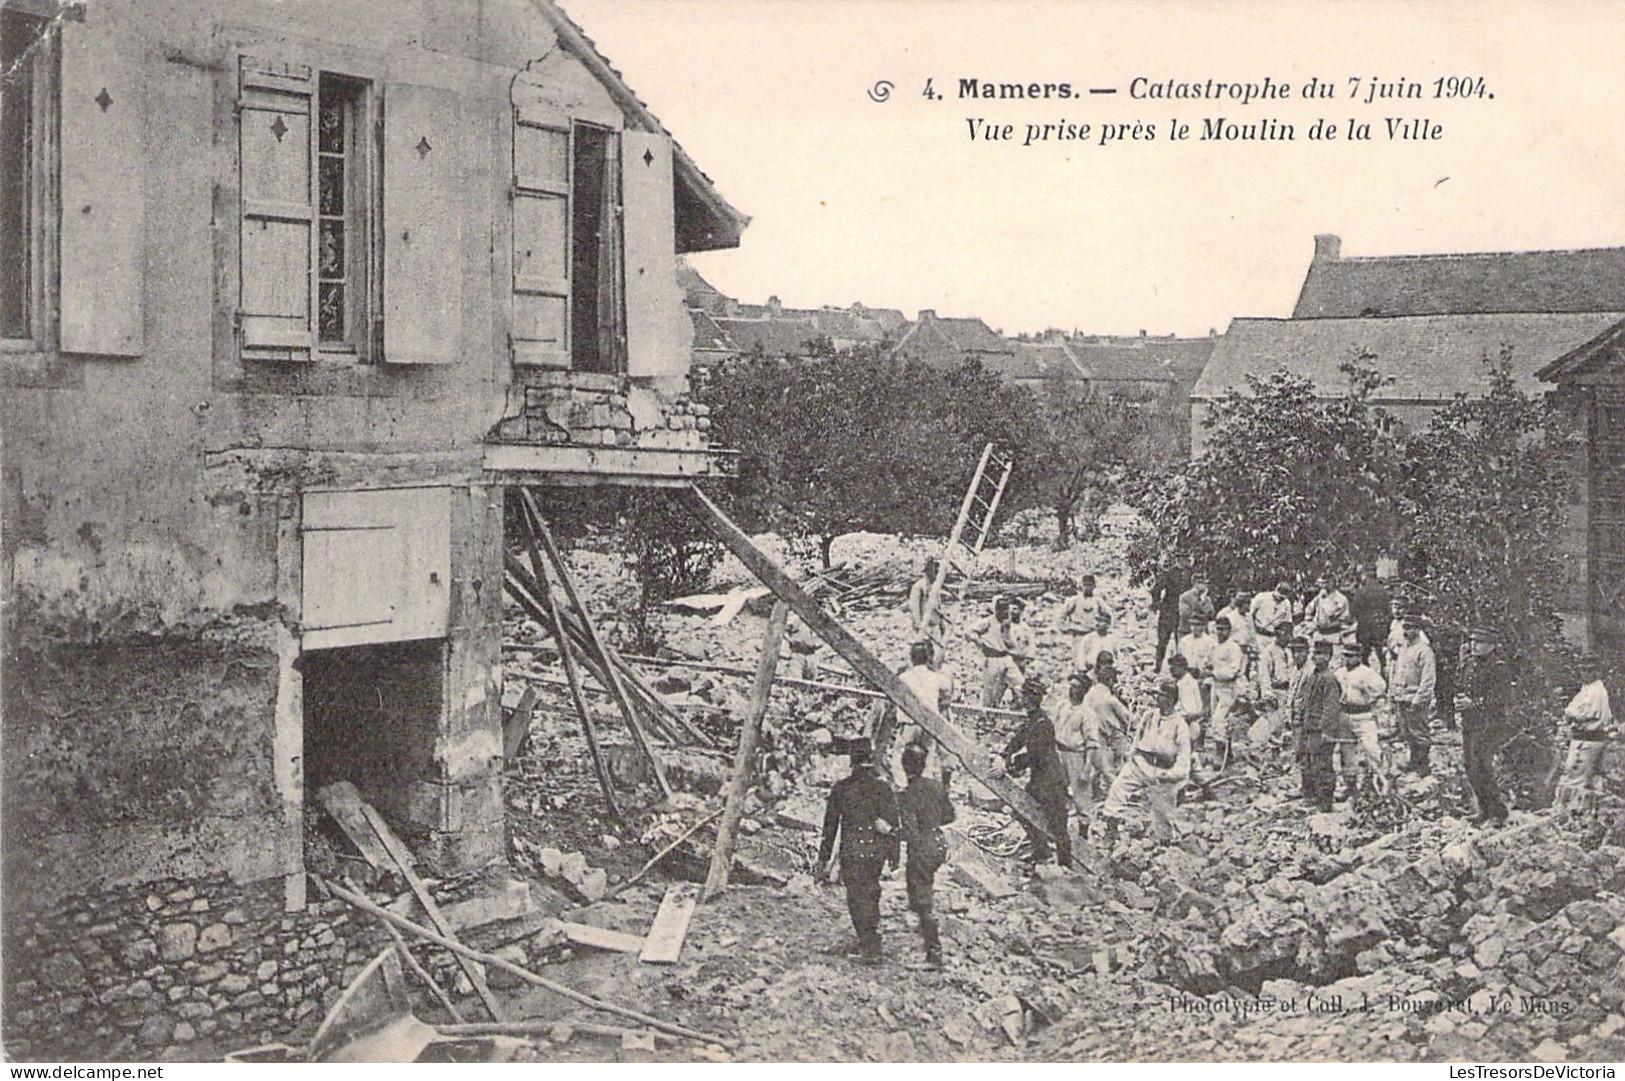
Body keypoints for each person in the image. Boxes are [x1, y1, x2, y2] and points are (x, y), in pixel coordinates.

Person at [817, 737, 900, 964]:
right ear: (872, 759)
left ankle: (870, 947)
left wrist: (823, 858)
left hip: (852, 852)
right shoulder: (883, 788)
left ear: (851, 760)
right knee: (870, 893)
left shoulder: (841, 789)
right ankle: (868, 939)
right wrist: (894, 858)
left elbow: (830, 826)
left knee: (856, 898)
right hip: (875, 853)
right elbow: (893, 825)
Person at [1095, 675, 1192, 849]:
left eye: (1161, 695)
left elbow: (1184, 761)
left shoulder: (1179, 725)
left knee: (1163, 816)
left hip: (1162, 772)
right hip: (1140, 765)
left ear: (1171, 699)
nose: (1157, 698)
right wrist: (1131, 756)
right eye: (1157, 694)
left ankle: (1165, 848)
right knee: (1117, 791)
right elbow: (1137, 738)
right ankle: (1111, 832)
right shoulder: (1149, 716)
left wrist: (1170, 775)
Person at [1002, 675, 1072, 867]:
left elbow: (1035, 754)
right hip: (1039, 780)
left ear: (1029, 698)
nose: (1021, 699)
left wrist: (1013, 765)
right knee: (1022, 811)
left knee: (1059, 827)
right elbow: (1019, 737)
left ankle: (1066, 867)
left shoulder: (1043, 724)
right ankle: (1040, 850)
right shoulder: (1034, 719)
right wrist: (1004, 754)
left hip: (1051, 782)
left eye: (1024, 695)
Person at [897, 742, 955, 968]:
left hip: (922, 847)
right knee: (916, 882)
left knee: (923, 897)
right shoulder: (936, 786)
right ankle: (920, 922)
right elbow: (949, 816)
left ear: (905, 766)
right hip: (939, 842)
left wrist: (891, 832)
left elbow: (910, 834)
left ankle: (934, 954)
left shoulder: (908, 794)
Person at [1456, 624, 1516, 828]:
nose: (1474, 645)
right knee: (1470, 767)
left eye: (1480, 642)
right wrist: (1461, 700)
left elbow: (1502, 697)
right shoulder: (1469, 663)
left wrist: (1476, 703)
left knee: (1482, 766)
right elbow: (1462, 685)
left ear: (1491, 645)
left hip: (1490, 724)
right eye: (1473, 641)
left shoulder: (1498, 667)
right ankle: (1484, 809)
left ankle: (1498, 812)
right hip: (1470, 722)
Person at [1554, 658, 1613, 812]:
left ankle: (1570, 812)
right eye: (1583, 670)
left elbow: (1583, 713)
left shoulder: (1595, 691)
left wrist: (1569, 712)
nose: (1585, 674)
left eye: (1589, 670)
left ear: (1597, 672)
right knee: (1586, 779)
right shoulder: (1588, 688)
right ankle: (1581, 812)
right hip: (1587, 738)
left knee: (1576, 778)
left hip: (1587, 740)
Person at [893, 641, 954, 787]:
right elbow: (947, 686)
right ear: (927, 658)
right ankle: (923, 791)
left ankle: (903, 789)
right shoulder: (935, 677)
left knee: (900, 758)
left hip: (909, 723)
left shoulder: (904, 677)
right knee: (926, 759)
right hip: (929, 725)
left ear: (912, 658)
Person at [1082, 656, 1134, 820]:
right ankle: (1116, 803)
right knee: (1111, 770)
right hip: (1108, 736)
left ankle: (1096, 796)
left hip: (1090, 735)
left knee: (1096, 768)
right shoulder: (1111, 700)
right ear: (1111, 680)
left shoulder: (1090, 693)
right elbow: (1129, 719)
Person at [1298, 641, 1345, 811]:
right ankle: (1313, 795)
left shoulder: (1329, 679)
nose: (1316, 657)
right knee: (1310, 762)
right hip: (1310, 727)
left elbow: (1331, 708)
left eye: (1321, 654)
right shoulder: (1313, 676)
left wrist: (1326, 731)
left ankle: (1325, 800)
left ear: (1329, 656)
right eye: (1315, 653)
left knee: (1323, 764)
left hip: (1321, 729)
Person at [1335, 641, 1387, 796]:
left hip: (1364, 716)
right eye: (1346, 656)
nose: (1348, 659)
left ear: (1359, 657)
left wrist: (1370, 702)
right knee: (1347, 753)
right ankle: (1350, 786)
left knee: (1372, 749)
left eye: (1351, 656)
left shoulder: (1367, 673)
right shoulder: (1339, 673)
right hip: (1345, 715)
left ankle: (1380, 782)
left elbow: (1380, 689)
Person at [1389, 616, 1438, 776]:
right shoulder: (1403, 648)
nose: (1406, 631)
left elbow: (1428, 678)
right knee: (1407, 731)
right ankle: (1413, 761)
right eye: (1405, 627)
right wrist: (1394, 693)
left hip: (1415, 698)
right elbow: (1397, 671)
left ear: (1418, 630)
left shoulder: (1424, 651)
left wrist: (1419, 699)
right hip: (1401, 696)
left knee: (1419, 732)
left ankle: (1423, 764)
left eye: (1410, 628)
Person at [1055, 670, 1095, 831]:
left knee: (1081, 797)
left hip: (1076, 756)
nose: (1072, 690)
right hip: (1059, 752)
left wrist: (1087, 770)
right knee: (1057, 791)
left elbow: (1092, 743)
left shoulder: (1087, 714)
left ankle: (1084, 834)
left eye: (1077, 687)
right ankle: (1059, 830)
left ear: (1084, 691)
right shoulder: (1062, 706)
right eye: (1071, 686)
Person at [970, 596, 1025, 709]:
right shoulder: (988, 622)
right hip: (992, 659)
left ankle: (1025, 711)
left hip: (1006, 657)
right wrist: (981, 643)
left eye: (1007, 611)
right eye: (1003, 611)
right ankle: (985, 719)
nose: (1006, 613)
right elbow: (969, 632)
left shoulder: (1008, 622)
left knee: (1020, 684)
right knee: (990, 691)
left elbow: (1010, 640)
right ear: (997, 611)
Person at [1249, 622, 1295, 745]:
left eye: (1290, 634)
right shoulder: (1268, 652)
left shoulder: (1290, 651)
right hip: (1277, 691)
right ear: (1278, 635)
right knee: (1274, 725)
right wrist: (1268, 695)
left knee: (1286, 725)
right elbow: (1264, 676)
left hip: (1289, 691)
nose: (1288, 638)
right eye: (1286, 634)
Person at [1208, 617, 1246, 756]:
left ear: (1229, 631)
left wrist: (1213, 672)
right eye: (1218, 629)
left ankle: (1222, 755)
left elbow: (1232, 672)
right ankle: (1225, 753)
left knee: (1220, 720)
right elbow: (1210, 662)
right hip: (1216, 686)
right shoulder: (1215, 646)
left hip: (1229, 687)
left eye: (1223, 629)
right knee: (1215, 719)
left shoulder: (1234, 648)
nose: (1220, 632)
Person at [1350, 566, 1393, 673]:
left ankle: (1365, 677)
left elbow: (1353, 611)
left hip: (1365, 628)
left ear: (1365, 575)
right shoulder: (1383, 591)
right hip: (1380, 627)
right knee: (1382, 657)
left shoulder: (1361, 591)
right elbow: (1389, 611)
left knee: (1364, 656)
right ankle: (1385, 679)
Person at [1150, 562, 1189, 673]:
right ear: (1177, 558)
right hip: (1168, 610)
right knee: (1163, 639)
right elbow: (1156, 589)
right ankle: (1158, 666)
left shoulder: (1191, 573)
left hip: (1183, 611)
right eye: (1182, 557)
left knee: (1182, 640)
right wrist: (1156, 603)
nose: (1184, 560)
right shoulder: (1169, 573)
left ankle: (1181, 668)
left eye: (1186, 557)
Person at [906, 558, 945, 666]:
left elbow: (938, 606)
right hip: (925, 626)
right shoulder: (918, 586)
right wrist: (919, 625)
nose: (937, 574)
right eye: (935, 571)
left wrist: (942, 623)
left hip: (935, 626)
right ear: (929, 571)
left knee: (936, 653)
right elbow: (914, 607)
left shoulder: (935, 587)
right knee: (925, 653)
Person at [1169, 653, 1206, 750]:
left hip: (1189, 726)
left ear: (1182, 667)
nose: (1171, 670)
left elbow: (1189, 712)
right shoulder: (1183, 681)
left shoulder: (1186, 684)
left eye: (1174, 667)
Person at [1076, 610, 1125, 674]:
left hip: (1109, 670)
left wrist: (1119, 668)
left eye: (1100, 621)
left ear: (1107, 624)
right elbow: (1081, 654)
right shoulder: (1089, 638)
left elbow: (1119, 655)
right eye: (1096, 621)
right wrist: (1082, 668)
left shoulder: (1112, 639)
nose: (1097, 624)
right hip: (1091, 670)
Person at [1059, 574, 1101, 640]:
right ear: (1081, 586)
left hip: (1093, 633)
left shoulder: (1098, 601)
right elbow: (1061, 613)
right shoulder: (1074, 600)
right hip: (1078, 634)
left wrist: (1102, 627)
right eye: (1085, 585)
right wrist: (1066, 628)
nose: (1087, 588)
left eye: (1089, 585)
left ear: (1094, 586)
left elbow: (1108, 615)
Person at [1309, 576, 1351, 641]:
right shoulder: (1321, 596)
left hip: (1334, 634)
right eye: (1324, 583)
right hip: (1319, 633)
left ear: (1334, 583)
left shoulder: (1341, 599)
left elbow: (1340, 618)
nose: (1325, 585)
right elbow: (1310, 609)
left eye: (1328, 582)